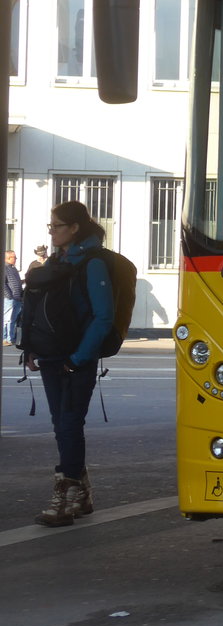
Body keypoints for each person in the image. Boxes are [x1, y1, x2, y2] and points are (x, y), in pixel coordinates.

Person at [28, 201, 115, 527]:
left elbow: (103, 316)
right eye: (50, 226)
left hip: (76, 359)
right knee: (62, 426)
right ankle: (82, 493)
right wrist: (32, 348)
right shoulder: (57, 260)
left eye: (57, 226)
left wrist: (79, 358)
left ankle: (66, 496)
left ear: (74, 228)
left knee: (68, 424)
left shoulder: (92, 264)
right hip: (51, 356)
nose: (51, 231)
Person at [3, 249, 22, 345]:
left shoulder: (13, 268)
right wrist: (9, 296)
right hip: (10, 299)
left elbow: (15, 282)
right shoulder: (4, 268)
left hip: (17, 298)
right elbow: (3, 284)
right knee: (8, 319)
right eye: (15, 257)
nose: (16, 259)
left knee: (13, 319)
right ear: (8, 258)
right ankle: (6, 338)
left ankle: (11, 338)